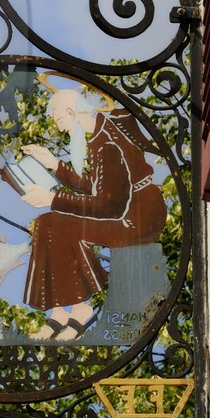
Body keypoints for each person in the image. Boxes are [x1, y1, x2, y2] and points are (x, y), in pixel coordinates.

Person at [19, 85, 166, 340]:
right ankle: (60, 312)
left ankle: (78, 309)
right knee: (49, 221)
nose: (61, 128)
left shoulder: (106, 143)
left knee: (57, 221)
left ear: (70, 111)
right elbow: (97, 187)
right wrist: (53, 163)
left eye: (60, 120)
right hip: (131, 210)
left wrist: (54, 198)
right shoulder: (100, 135)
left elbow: (109, 205)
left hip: (137, 218)